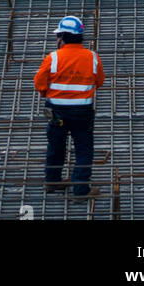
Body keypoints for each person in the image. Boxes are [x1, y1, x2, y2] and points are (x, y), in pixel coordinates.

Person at [34, 15, 104, 201]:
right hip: (82, 113)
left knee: (56, 145)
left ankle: (52, 180)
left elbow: (39, 83)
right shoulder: (92, 57)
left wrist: (49, 93)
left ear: (62, 37)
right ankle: (80, 190)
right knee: (83, 149)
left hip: (56, 112)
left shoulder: (53, 58)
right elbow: (100, 81)